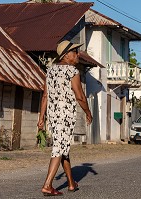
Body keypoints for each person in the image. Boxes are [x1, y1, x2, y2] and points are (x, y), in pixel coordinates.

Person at [37, 40, 93, 196]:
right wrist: (88, 112)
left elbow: (45, 96)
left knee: (63, 148)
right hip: (65, 116)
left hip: (53, 116)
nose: (78, 55)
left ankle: (70, 183)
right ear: (67, 55)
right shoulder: (72, 71)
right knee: (59, 148)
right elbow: (80, 96)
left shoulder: (51, 71)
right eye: (75, 52)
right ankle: (47, 185)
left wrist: (41, 118)